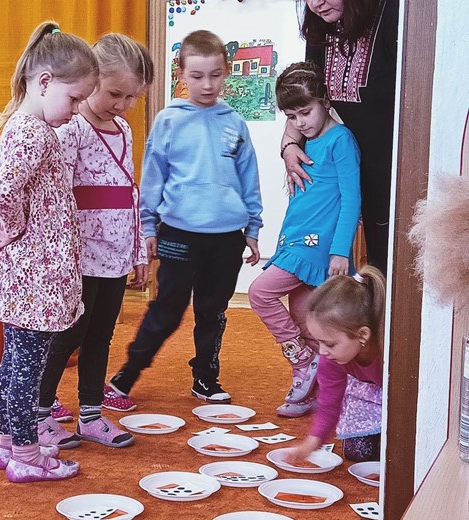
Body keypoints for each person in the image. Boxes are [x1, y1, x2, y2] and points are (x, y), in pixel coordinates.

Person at [0, 21, 98, 483]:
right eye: (74, 99)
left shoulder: (30, 128)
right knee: (27, 367)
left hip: (29, 272)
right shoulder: (33, 133)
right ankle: (26, 454)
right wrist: (10, 226)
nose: (76, 111)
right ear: (44, 82)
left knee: (15, 361)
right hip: (33, 276)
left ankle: (9, 444)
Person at [107, 29, 263, 406]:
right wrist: (147, 227)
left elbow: (249, 178)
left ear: (226, 72)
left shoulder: (235, 123)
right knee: (168, 309)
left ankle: (206, 378)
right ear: (181, 75)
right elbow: (153, 177)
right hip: (178, 234)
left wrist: (253, 228)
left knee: (213, 311)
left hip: (228, 237)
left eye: (215, 75)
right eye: (197, 76)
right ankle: (127, 375)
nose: (207, 84)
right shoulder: (169, 120)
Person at [35, 33, 154, 450]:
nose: (122, 105)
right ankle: (40, 413)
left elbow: (129, 194)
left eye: (132, 97)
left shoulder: (124, 130)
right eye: (115, 93)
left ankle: (91, 415)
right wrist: (60, 257)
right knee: (68, 336)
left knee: (102, 335)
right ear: (91, 80)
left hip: (115, 257)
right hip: (80, 258)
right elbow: (60, 195)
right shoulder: (72, 129)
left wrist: (137, 252)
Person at [249, 61, 361, 418]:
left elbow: (351, 199)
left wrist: (340, 250)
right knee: (304, 317)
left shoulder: (340, 140)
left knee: (259, 292)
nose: (300, 122)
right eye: (291, 116)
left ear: (325, 101)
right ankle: (318, 392)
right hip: (295, 239)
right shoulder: (304, 142)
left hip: (317, 246)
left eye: (305, 112)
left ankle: (302, 361)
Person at [283, 0, 399, 275]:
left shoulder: (393, 12)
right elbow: (305, 95)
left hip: (391, 170)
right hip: (341, 163)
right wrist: (289, 144)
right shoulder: (320, 29)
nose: (316, 4)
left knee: (388, 260)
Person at [286, 265, 385, 463]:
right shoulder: (331, 358)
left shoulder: (390, 353)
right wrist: (312, 442)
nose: (322, 351)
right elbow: (328, 403)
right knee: (358, 452)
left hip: (398, 399)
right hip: (366, 396)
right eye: (318, 342)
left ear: (363, 335)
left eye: (329, 344)